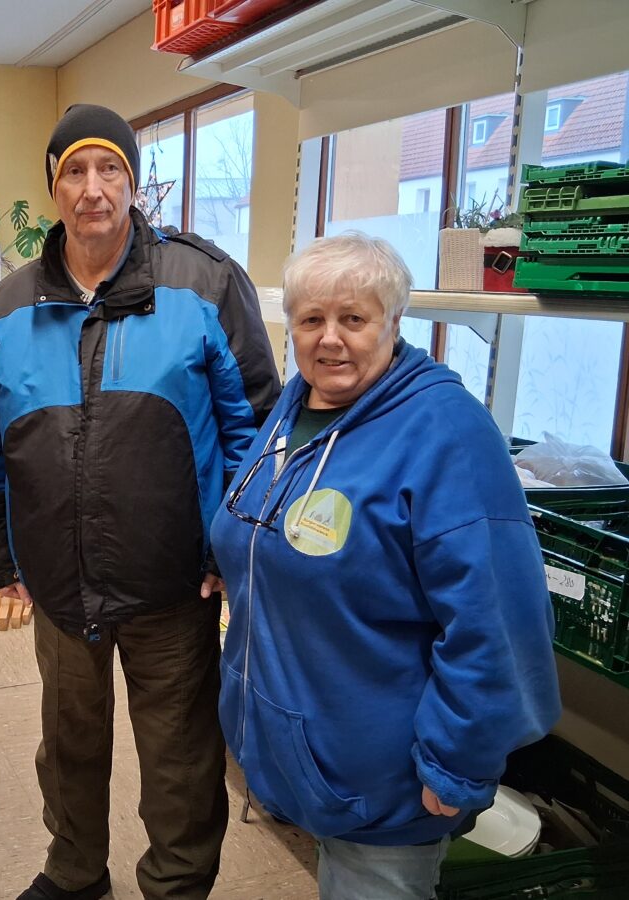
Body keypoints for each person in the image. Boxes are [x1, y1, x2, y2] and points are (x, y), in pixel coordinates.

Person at [0, 104, 281, 900]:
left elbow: (255, 427)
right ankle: (74, 873)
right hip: (58, 582)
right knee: (68, 743)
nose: (92, 188)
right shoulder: (5, 308)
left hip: (175, 580)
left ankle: (175, 885)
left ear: (134, 185)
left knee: (178, 752)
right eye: (74, 170)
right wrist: (4, 562)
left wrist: (228, 548)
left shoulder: (205, 282)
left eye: (110, 169)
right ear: (52, 187)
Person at [212, 232, 562, 899]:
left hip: (386, 775)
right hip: (309, 752)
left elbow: (498, 624)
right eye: (312, 320)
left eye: (354, 318)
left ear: (394, 323)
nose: (330, 339)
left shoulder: (445, 433)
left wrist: (454, 763)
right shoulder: (299, 406)